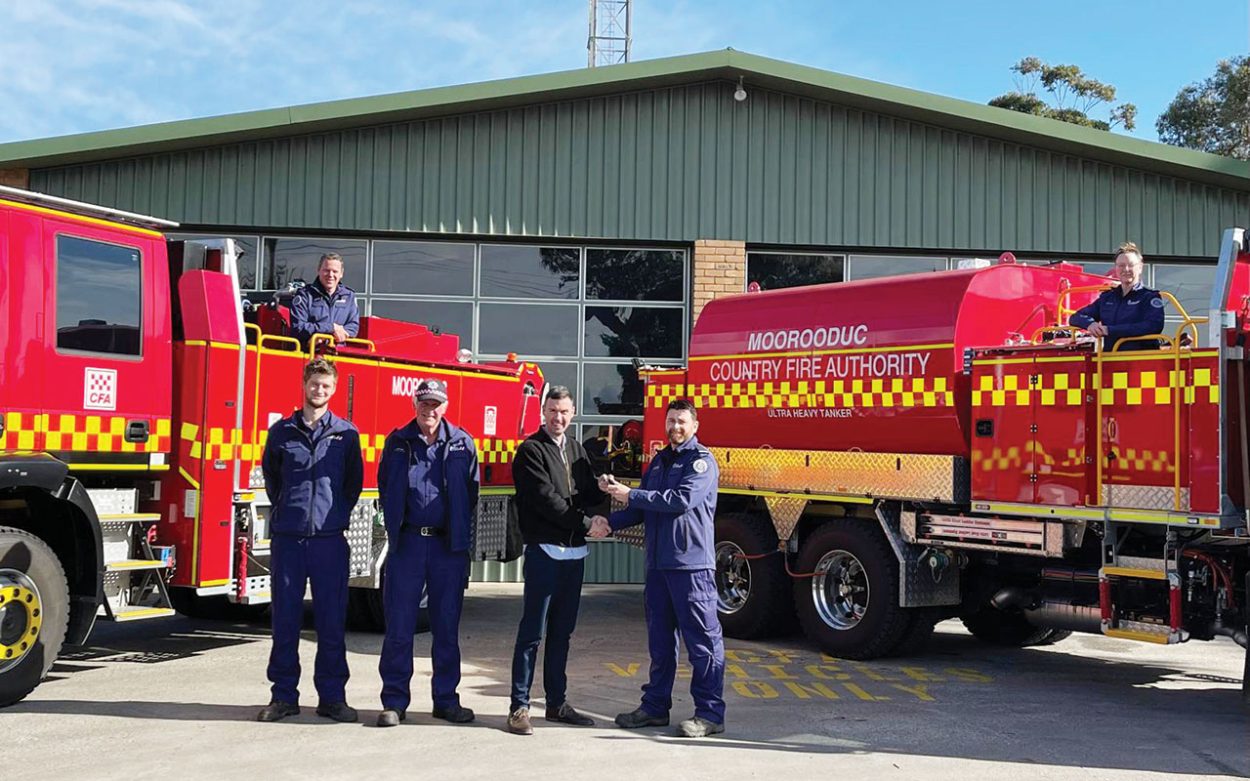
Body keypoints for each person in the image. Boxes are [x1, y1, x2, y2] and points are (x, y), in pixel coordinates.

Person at [591, 399, 726, 739]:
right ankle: (654, 708)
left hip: (691, 567)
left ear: (694, 426)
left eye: (681, 421)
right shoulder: (660, 461)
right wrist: (609, 522)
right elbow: (643, 510)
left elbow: (680, 500)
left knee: (703, 643)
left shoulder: (701, 463)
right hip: (658, 566)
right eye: (670, 422)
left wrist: (630, 494)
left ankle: (709, 714)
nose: (675, 428)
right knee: (660, 641)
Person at [258, 358, 364, 723]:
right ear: (304, 385)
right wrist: (290, 510)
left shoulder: (346, 435)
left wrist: (332, 517)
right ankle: (283, 696)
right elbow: (273, 478)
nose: (319, 391)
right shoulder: (281, 432)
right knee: (285, 622)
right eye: (315, 384)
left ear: (334, 390)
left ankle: (332, 698)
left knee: (331, 623)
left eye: (326, 386)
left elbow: (352, 485)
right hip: (288, 540)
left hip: (329, 542)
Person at [376, 378, 479, 728]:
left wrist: (460, 538)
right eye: (424, 403)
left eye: (435, 404)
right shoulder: (398, 442)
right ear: (414, 404)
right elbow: (384, 485)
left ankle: (446, 701)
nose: (429, 410)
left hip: (446, 548)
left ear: (445, 406)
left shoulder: (463, 444)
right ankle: (394, 701)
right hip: (407, 545)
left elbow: (472, 493)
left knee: (446, 628)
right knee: (399, 627)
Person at [506, 386, 609, 736]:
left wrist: (607, 486)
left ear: (573, 412)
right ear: (543, 411)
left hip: (574, 555)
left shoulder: (578, 451)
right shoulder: (530, 451)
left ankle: (556, 703)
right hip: (544, 554)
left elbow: (588, 493)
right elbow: (546, 500)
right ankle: (519, 707)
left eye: (564, 411)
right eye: (552, 411)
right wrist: (586, 523)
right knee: (532, 634)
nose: (558, 418)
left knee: (562, 633)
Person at [1070, 241, 1165, 351]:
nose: (1126, 269)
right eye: (1121, 265)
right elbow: (1076, 317)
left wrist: (1110, 330)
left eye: (1131, 265)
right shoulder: (1107, 298)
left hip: (1140, 361)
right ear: (1116, 268)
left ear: (1140, 268)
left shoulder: (1149, 297)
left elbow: (1153, 326)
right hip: (1109, 361)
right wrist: (1090, 324)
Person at [289, 252, 360, 345]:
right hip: (310, 354)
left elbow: (353, 327)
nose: (330, 275)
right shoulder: (304, 295)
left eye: (335, 271)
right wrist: (330, 328)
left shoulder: (349, 296)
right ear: (318, 270)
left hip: (339, 354)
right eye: (326, 270)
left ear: (341, 274)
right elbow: (298, 327)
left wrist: (333, 336)